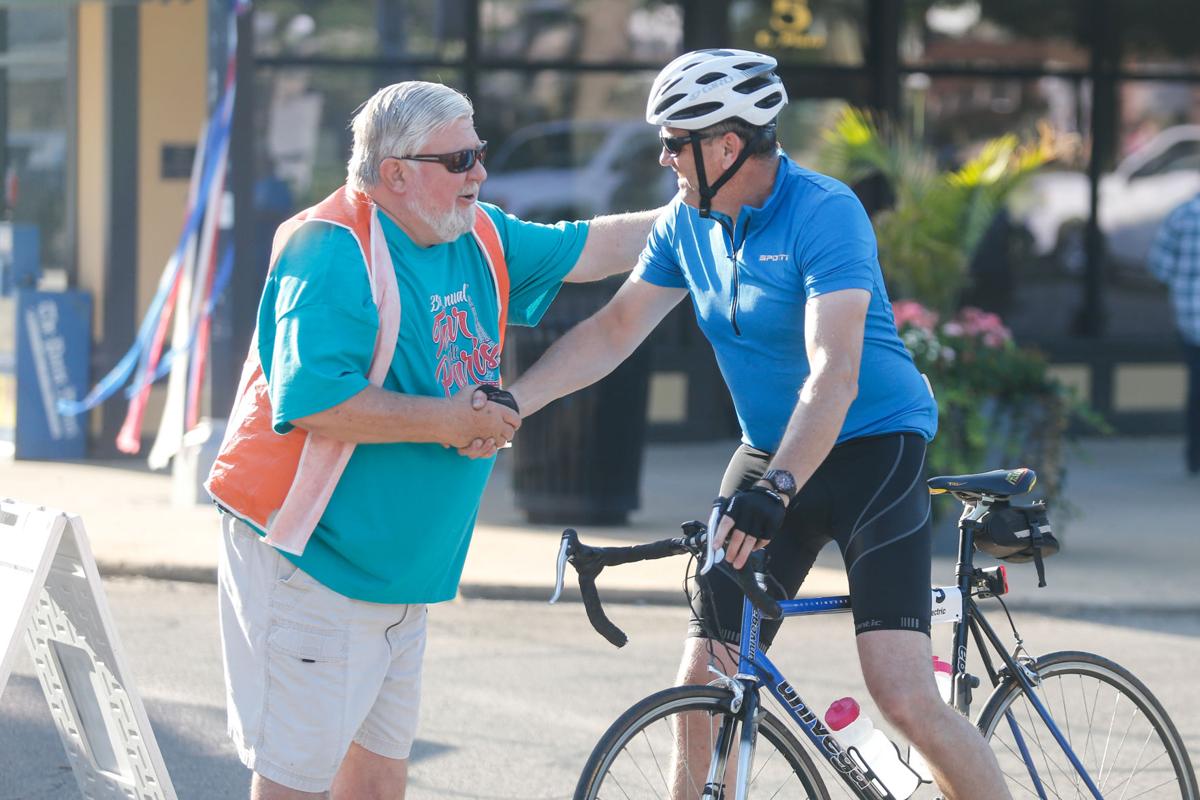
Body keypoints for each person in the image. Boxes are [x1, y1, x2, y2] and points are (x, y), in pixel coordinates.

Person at [500, 49, 1012, 799]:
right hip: (771, 450)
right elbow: (613, 332)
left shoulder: (824, 211)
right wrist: (515, 405)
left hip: (872, 447)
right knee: (703, 677)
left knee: (901, 694)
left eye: (675, 142)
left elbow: (834, 370)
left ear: (727, 144)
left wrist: (776, 487)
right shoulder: (687, 223)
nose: (665, 157)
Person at [205, 81, 662, 800]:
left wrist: (703, 210)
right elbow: (315, 400)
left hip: (397, 572)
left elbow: (598, 246)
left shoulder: (474, 231)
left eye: (477, 153)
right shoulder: (327, 249)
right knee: (295, 785)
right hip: (311, 563)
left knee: (380, 783)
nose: (480, 172)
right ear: (394, 172)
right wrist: (450, 420)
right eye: (460, 159)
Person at [1149, 191, 1200, 476]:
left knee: (1197, 390)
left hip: (1190, 315)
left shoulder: (1182, 215)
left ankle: (1195, 457)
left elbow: (1159, 266)